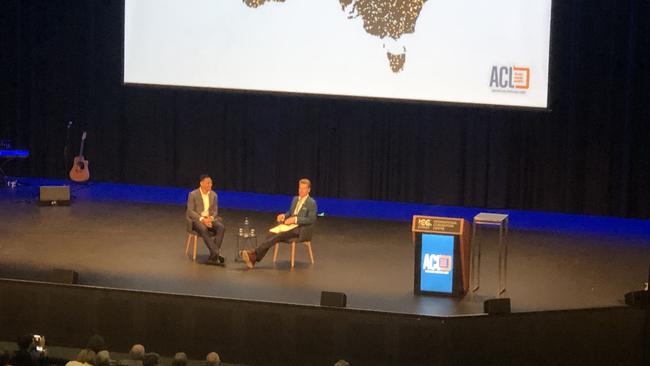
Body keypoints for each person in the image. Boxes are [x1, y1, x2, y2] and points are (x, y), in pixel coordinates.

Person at [240, 178, 317, 269]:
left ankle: (254, 253)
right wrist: (284, 216)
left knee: (280, 235)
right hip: (289, 226)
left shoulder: (311, 203)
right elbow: (290, 212)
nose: (301, 190)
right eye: (300, 188)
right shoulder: (295, 199)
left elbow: (311, 219)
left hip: (300, 229)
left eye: (304, 188)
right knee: (271, 233)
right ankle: (255, 258)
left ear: (309, 190)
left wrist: (295, 220)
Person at [186, 174, 226, 266]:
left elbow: (215, 211)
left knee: (221, 227)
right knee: (203, 229)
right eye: (208, 183)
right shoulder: (193, 194)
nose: (210, 185)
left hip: (209, 219)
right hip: (197, 220)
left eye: (211, 183)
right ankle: (217, 253)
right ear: (201, 183)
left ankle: (213, 256)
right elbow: (190, 211)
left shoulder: (214, 195)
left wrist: (210, 218)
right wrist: (202, 220)